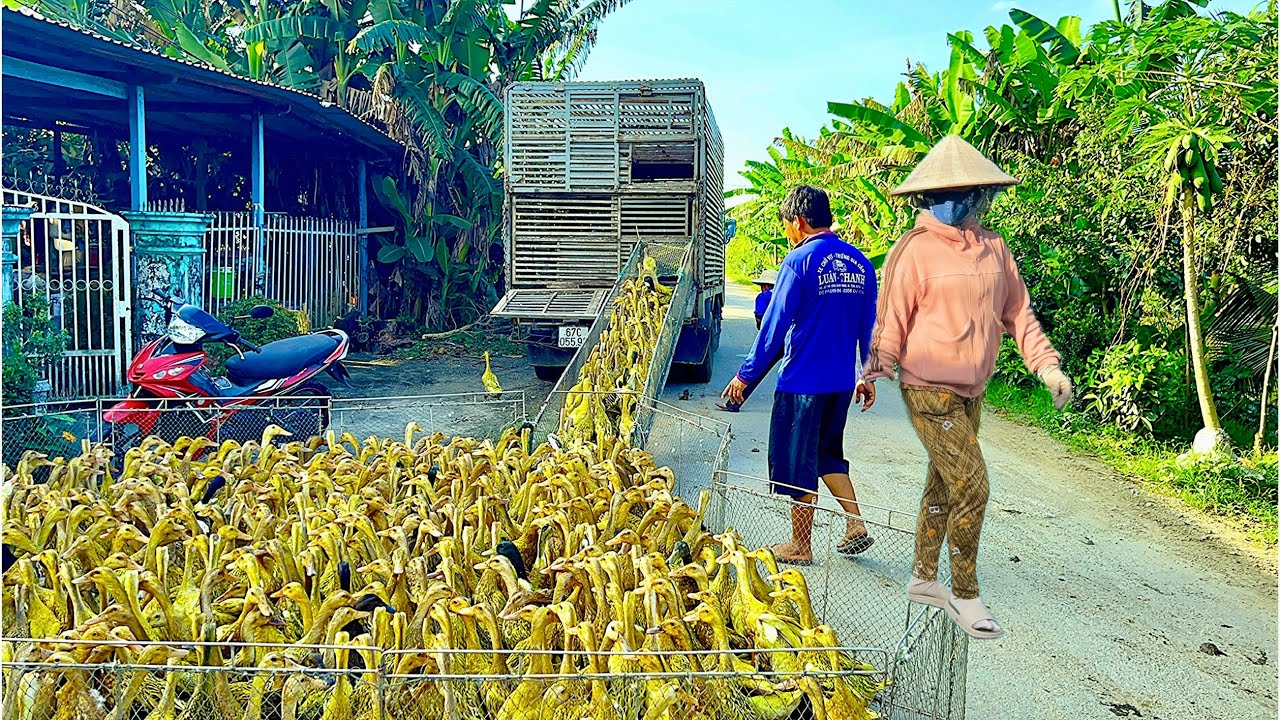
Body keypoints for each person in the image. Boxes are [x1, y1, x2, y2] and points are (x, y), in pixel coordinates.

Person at [865, 134, 1074, 640]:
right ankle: (965, 594)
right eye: (962, 192)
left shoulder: (995, 249)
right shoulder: (912, 251)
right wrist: (876, 370)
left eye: (978, 192)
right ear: (930, 197)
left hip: (971, 390)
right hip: (927, 388)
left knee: (944, 483)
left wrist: (1047, 367)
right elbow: (891, 317)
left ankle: (922, 578)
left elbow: (1018, 314)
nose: (973, 201)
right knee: (973, 487)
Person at [723, 185, 879, 565]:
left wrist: (745, 376)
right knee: (827, 453)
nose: (788, 232)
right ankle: (855, 523)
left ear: (798, 221)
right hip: (841, 383)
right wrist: (868, 373)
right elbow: (870, 326)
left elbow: (774, 327)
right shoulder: (861, 264)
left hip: (802, 382)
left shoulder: (798, 261)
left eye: (787, 225)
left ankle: (801, 545)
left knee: (799, 462)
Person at [716, 269, 777, 413]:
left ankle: (733, 403)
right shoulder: (786, 294)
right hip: (793, 338)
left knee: (755, 369)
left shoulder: (763, 297)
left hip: (773, 339)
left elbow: (760, 319)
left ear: (765, 286)